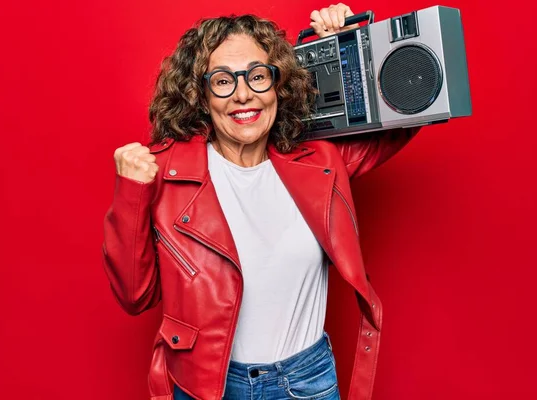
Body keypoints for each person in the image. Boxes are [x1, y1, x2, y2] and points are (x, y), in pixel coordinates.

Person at [103, 4, 418, 399]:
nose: (243, 95)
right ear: (200, 95)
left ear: (278, 84)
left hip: (309, 381)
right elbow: (135, 296)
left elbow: (409, 110)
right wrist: (131, 191)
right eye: (222, 81)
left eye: (256, 76)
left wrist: (347, 45)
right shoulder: (166, 173)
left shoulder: (320, 163)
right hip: (208, 386)